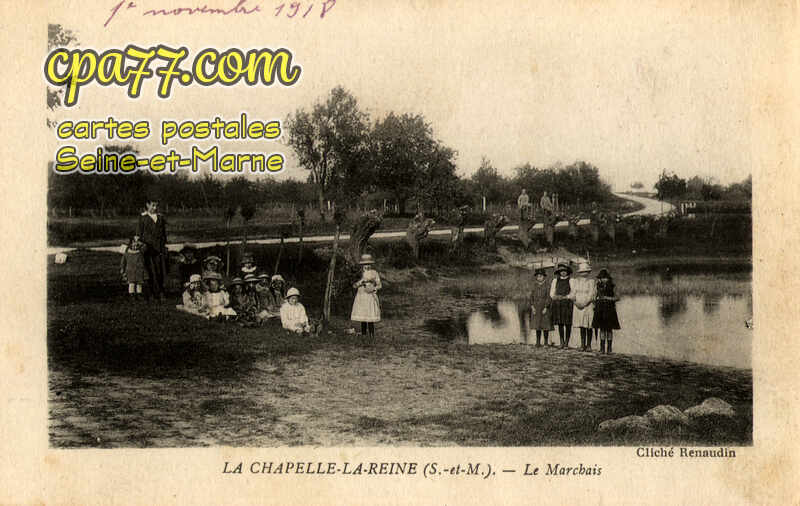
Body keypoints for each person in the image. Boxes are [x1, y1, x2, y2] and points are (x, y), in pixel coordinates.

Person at [136, 198, 168, 301]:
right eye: (153, 205)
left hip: (159, 249)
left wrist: (164, 245)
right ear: (147, 205)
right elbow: (138, 234)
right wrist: (140, 244)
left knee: (160, 271)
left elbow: (163, 233)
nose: (155, 208)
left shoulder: (160, 217)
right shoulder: (143, 218)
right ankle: (151, 293)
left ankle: (161, 292)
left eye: (156, 206)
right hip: (148, 249)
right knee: (149, 271)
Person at [351, 254, 381, 338]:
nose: (367, 266)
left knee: (370, 314)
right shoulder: (358, 273)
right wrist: (361, 282)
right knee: (363, 315)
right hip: (361, 295)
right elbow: (354, 285)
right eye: (365, 264)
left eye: (368, 264)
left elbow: (379, 285)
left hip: (370, 296)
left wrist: (373, 289)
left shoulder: (374, 273)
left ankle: (372, 335)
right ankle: (364, 334)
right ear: (362, 265)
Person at [570, 262, 597, 351]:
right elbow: (573, 293)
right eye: (582, 272)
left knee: (588, 325)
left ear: (588, 272)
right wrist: (575, 302)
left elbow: (592, 294)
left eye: (586, 271)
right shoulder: (576, 281)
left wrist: (585, 303)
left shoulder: (591, 281)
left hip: (587, 305)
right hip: (578, 305)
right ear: (579, 273)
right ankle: (582, 344)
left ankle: (588, 345)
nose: (584, 273)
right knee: (581, 325)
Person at [592, 269, 621, 354]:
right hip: (600, 309)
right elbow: (594, 296)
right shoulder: (597, 286)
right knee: (602, 329)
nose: (604, 279)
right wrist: (595, 300)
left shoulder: (612, 286)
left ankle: (609, 349)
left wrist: (607, 298)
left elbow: (618, 297)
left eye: (605, 278)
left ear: (608, 278)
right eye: (601, 278)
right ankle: (602, 348)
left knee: (609, 329)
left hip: (609, 310)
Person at [549, 263, 574, 348]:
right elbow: (552, 293)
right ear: (559, 272)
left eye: (565, 271)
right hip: (558, 304)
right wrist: (556, 296)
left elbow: (573, 293)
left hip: (567, 304)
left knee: (568, 323)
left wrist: (566, 297)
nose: (563, 273)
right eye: (561, 271)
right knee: (560, 323)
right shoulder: (555, 281)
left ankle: (567, 342)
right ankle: (561, 342)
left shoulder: (571, 280)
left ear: (567, 272)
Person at [529, 267, 553, 347]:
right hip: (536, 307)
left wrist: (546, 307)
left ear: (544, 277)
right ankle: (538, 342)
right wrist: (532, 307)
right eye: (538, 276)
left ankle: (546, 342)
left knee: (545, 325)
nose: (539, 277)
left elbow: (549, 297)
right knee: (537, 325)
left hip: (544, 307)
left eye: (541, 276)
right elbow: (531, 297)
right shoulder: (534, 285)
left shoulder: (547, 285)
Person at [119, 235, 146, 301]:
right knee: (131, 283)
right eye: (133, 245)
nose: (135, 247)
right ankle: (132, 295)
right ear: (130, 245)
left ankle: (139, 294)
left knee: (139, 283)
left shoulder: (140, 252)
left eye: (137, 245)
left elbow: (145, 246)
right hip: (130, 271)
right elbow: (123, 262)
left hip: (139, 270)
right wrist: (122, 269)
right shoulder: (127, 253)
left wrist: (139, 241)